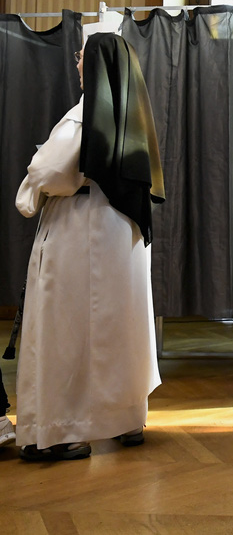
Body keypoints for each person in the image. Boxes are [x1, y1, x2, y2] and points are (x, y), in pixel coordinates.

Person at [15, 31, 165, 462]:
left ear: (97, 67)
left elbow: (47, 172)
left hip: (80, 231)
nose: (77, 61)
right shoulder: (132, 116)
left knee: (65, 329)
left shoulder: (84, 116)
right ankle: (127, 418)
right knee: (121, 326)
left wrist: (31, 185)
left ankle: (56, 430)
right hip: (124, 236)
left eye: (84, 56)